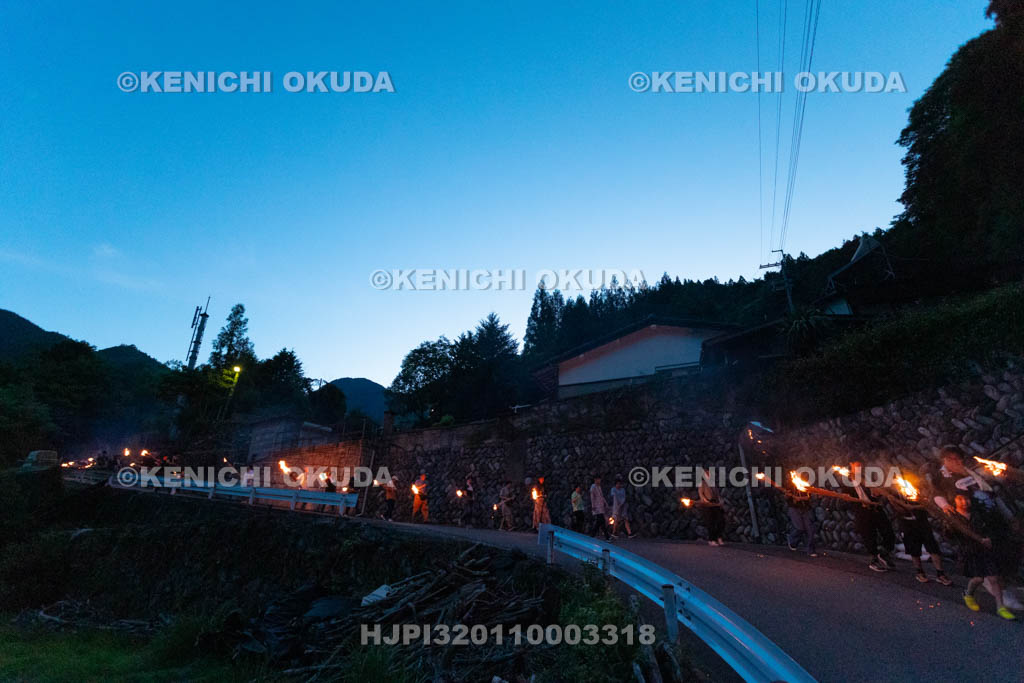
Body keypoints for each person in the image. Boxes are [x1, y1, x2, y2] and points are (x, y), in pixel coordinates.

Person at [950, 494, 1016, 620]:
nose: (965, 502)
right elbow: (950, 536)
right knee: (978, 579)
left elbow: (990, 528)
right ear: (954, 500)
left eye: (967, 498)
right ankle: (968, 594)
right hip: (969, 551)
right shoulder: (952, 516)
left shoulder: (977, 513)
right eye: (960, 499)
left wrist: (988, 538)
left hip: (985, 549)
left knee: (994, 578)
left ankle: (1000, 607)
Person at [879, 475, 950, 584]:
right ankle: (920, 572)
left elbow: (926, 505)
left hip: (922, 522)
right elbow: (899, 510)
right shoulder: (893, 495)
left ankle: (940, 574)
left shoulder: (916, 490)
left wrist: (913, 507)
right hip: (907, 524)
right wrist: (894, 502)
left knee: (932, 547)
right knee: (914, 549)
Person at [842, 461, 895, 571]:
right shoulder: (846, 481)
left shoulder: (866, 477)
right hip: (862, 511)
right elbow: (845, 496)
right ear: (851, 466)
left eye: (860, 466)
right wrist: (852, 499)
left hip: (876, 509)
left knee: (888, 532)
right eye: (856, 466)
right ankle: (874, 560)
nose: (858, 468)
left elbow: (875, 490)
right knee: (869, 535)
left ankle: (884, 553)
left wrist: (876, 494)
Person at [782, 470, 817, 557]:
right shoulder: (789, 486)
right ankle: (792, 541)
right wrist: (787, 495)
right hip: (794, 509)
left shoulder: (805, 484)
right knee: (799, 528)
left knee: (810, 530)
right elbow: (786, 497)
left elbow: (808, 497)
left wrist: (800, 499)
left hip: (806, 509)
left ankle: (810, 550)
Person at [698, 472, 726, 546]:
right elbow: (701, 493)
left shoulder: (713, 484)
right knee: (711, 522)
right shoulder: (702, 483)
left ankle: (718, 537)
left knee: (721, 520)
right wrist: (705, 501)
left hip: (715, 504)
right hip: (707, 505)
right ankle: (712, 539)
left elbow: (718, 494)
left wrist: (720, 501)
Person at [589, 475, 612, 540]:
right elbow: (592, 497)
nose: (599, 481)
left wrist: (606, 503)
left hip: (600, 506)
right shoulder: (593, 487)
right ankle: (607, 537)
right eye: (598, 479)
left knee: (599, 522)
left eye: (600, 479)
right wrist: (593, 506)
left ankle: (592, 535)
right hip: (597, 507)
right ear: (595, 479)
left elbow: (602, 496)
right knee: (601, 521)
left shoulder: (599, 487)